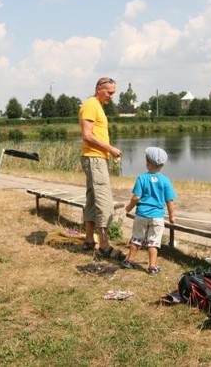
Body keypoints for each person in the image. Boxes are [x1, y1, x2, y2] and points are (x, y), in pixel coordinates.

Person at [79, 76, 125, 260]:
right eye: (109, 92)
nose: (111, 96)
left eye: (113, 93)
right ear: (99, 88)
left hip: (95, 158)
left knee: (91, 199)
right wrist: (110, 148)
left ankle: (89, 240)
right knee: (104, 202)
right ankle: (104, 245)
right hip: (94, 159)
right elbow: (87, 135)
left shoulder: (97, 105)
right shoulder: (91, 104)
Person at [123, 147, 176, 275]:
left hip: (141, 215)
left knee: (136, 239)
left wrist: (129, 208)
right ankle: (152, 267)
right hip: (157, 217)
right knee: (154, 242)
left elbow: (136, 197)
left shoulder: (142, 178)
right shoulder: (165, 181)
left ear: (147, 162)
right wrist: (171, 217)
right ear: (163, 164)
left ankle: (129, 261)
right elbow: (170, 201)